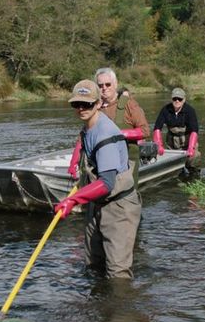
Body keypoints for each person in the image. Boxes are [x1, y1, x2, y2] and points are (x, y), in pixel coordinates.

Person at [56, 79, 142, 279]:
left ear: (97, 104)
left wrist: (72, 200)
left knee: (117, 272)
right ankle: (97, 308)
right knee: (94, 265)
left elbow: (106, 183)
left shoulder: (105, 134)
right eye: (76, 104)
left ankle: (122, 308)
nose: (81, 108)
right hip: (97, 204)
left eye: (86, 104)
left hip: (118, 206)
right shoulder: (87, 129)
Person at [67, 67, 150, 185]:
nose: (104, 88)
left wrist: (118, 135)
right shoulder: (93, 107)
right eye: (100, 86)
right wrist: (73, 162)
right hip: (99, 165)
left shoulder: (129, 104)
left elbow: (145, 130)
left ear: (115, 84)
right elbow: (83, 138)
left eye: (108, 84)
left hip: (125, 164)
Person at [152, 87, 201, 174]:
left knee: (194, 158)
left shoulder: (190, 111)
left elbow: (194, 130)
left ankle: (194, 175)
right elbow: (157, 128)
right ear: (171, 99)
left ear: (184, 99)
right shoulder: (165, 110)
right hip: (172, 145)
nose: (177, 101)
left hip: (187, 143)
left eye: (180, 99)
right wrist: (159, 145)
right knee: (175, 170)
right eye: (175, 98)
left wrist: (191, 148)